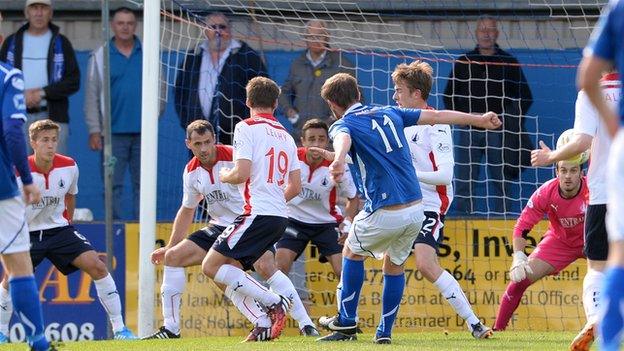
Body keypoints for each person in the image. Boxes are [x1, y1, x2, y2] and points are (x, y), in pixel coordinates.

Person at [316, 72, 501, 343]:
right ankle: (384, 334)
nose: (394, 94)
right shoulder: (390, 113)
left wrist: (339, 158)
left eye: (399, 89)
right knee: (394, 265)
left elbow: (343, 138)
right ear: (358, 94)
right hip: (415, 209)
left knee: (351, 252)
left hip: (388, 209)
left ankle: (346, 322)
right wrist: (480, 120)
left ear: (332, 104)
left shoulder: (344, 124)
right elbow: (438, 116)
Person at [0, 119, 137, 341]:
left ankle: (120, 329)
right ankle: (2, 334)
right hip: (26, 233)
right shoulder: (17, 173)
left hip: (59, 230)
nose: (51, 145)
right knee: (10, 280)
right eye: (45, 140)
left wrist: (68, 224)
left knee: (98, 267)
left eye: (54, 139)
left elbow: (70, 196)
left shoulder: (69, 166)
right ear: (33, 143)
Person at [201, 76, 312, 341]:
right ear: (275, 103)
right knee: (232, 268)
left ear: (248, 101)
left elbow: (241, 173)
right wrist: (273, 202)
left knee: (210, 266)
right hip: (279, 216)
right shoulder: (286, 135)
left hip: (256, 212)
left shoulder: (246, 127)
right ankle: (262, 321)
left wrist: (225, 175)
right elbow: (295, 187)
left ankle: (273, 301)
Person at [144, 120, 273, 341]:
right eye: (197, 144)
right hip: (219, 227)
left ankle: (293, 315)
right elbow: (187, 211)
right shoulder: (191, 171)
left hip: (248, 225)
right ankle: (171, 329)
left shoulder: (235, 157)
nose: (203, 149)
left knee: (258, 270)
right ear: (188, 144)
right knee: (173, 258)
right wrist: (169, 247)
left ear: (215, 139)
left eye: (207, 142)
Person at [394, 61, 492, 338]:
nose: (394, 96)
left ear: (416, 93)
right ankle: (365, 326)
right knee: (374, 256)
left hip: (429, 205)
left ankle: (474, 323)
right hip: (401, 204)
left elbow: (445, 175)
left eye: (399, 90)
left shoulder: (436, 126)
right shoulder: (399, 121)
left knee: (425, 264)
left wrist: (412, 175)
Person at [531, 71, 619, 350]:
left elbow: (581, 142)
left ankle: (595, 317)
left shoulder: (591, 92)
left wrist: (550, 157)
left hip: (604, 192)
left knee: (597, 267)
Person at [275, 118, 358, 336]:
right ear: (302, 141)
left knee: (344, 270)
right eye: (311, 139)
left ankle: (346, 320)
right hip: (293, 220)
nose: (316, 144)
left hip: (326, 223)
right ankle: (275, 317)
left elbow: (353, 198)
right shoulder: (291, 160)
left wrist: (347, 223)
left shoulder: (336, 165)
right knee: (279, 266)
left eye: (321, 139)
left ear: (328, 144)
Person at [444, 15, 533, 215]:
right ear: (476, 33)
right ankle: (465, 221)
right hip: (468, 130)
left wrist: (510, 122)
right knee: (465, 180)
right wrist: (460, 119)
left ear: (497, 33)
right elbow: (448, 95)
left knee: (500, 182)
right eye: (482, 30)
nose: (486, 34)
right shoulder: (463, 62)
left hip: (497, 131)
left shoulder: (508, 62)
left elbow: (526, 97)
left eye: (490, 30)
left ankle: (503, 224)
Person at [577, 1, 624, 350]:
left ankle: (606, 336)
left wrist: (612, 125)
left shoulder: (618, 10)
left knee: (611, 258)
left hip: (612, 172)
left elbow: (586, 76)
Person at [493, 160, 587, 333]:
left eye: (573, 171)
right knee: (518, 280)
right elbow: (522, 226)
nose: (568, 176)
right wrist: (518, 256)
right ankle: (497, 332)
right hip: (560, 242)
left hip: (594, 240)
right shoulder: (545, 192)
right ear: (556, 173)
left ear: (582, 173)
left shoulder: (594, 190)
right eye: (563, 170)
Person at [0, 39, 52, 351]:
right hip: (2, 187)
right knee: (18, 265)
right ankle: (38, 342)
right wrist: (28, 178)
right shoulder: (9, 76)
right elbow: (12, 130)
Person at [84, 6, 154, 220]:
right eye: (121, 23)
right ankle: (114, 228)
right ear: (113, 25)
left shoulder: (149, 52)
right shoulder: (100, 55)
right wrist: (95, 129)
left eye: (130, 23)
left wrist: (152, 120)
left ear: (136, 26)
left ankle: (142, 227)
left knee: (144, 186)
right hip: (112, 135)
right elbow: (91, 96)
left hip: (144, 134)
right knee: (112, 185)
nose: (125, 27)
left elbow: (160, 92)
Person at [174, 12, 268, 145]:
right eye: (213, 27)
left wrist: (249, 126)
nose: (218, 31)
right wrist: (188, 123)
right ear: (205, 30)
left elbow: (262, 93)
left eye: (222, 27)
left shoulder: (246, 55)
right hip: (200, 137)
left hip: (236, 137)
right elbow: (180, 93)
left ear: (229, 29)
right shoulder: (193, 57)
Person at [0, 0, 79, 156]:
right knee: (16, 173)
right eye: (34, 8)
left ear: (50, 13)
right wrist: (20, 96)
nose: (38, 13)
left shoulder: (61, 43)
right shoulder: (11, 42)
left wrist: (42, 93)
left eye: (43, 8)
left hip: (52, 117)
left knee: (52, 173)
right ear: (26, 13)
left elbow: (73, 81)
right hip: (17, 117)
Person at [278, 20, 356, 141]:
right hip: (301, 136)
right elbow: (283, 92)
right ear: (305, 38)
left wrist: (333, 120)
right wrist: (289, 112)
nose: (315, 40)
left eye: (319, 35)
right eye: (311, 36)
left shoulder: (343, 64)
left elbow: (355, 99)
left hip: (330, 138)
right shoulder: (297, 64)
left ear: (327, 37)